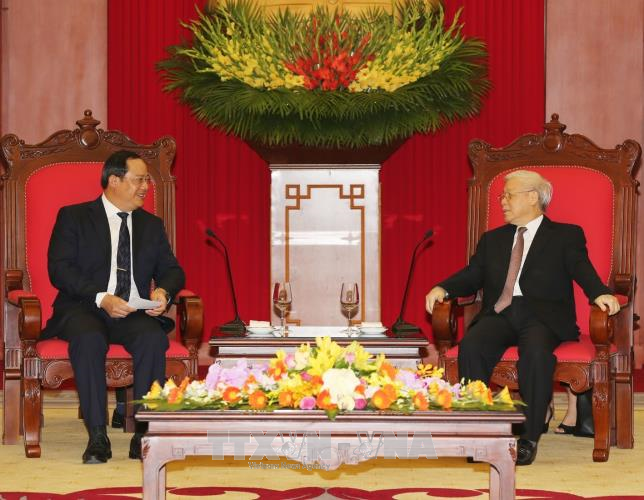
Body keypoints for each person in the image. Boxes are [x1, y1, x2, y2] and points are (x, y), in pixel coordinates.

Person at [425, 170, 619, 466]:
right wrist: (443, 287)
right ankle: (480, 433)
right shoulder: (492, 239)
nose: (502, 201)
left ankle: (528, 437)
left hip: (542, 316)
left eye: (508, 195)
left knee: (536, 354)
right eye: (502, 196)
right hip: (500, 313)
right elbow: (473, 274)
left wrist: (600, 293)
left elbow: (581, 267)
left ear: (532, 197)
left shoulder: (565, 235)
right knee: (472, 346)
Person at [42, 150, 185, 464]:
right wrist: (101, 297)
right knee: (88, 339)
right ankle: (97, 435)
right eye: (139, 180)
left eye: (146, 180)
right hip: (84, 307)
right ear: (114, 180)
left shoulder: (150, 224)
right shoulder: (75, 216)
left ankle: (143, 432)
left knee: (152, 338)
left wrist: (163, 290)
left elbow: (172, 270)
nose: (145, 187)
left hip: (131, 310)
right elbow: (60, 269)